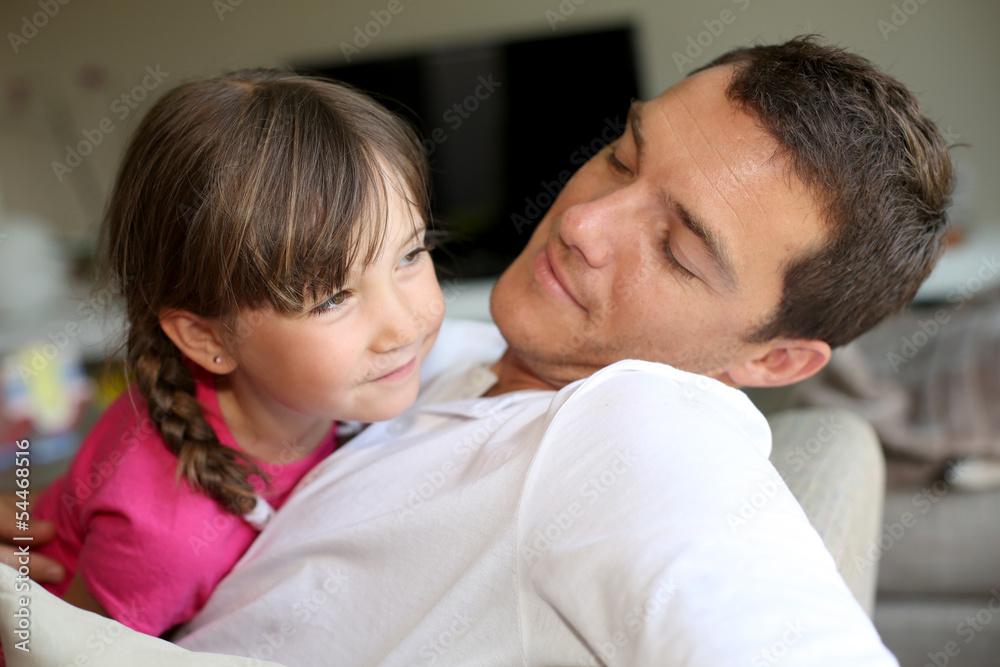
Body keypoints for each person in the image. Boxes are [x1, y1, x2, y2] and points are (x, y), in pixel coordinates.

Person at [3, 37, 953, 665]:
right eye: (624, 154)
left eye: (676, 250)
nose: (581, 219)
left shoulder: (643, 436)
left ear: (771, 362)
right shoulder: (444, 351)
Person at [13, 69, 444, 637]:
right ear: (207, 339)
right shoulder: (163, 540)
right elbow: (64, 652)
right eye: (334, 297)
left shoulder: (313, 392)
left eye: (410, 254)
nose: (404, 324)